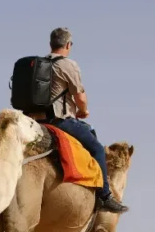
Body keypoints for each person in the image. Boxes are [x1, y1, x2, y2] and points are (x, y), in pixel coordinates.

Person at [43, 27, 128, 213]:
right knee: (96, 148)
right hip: (59, 121)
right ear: (68, 44)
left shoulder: (37, 65)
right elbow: (80, 97)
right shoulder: (67, 65)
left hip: (35, 121)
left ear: (50, 44)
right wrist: (82, 110)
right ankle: (105, 196)